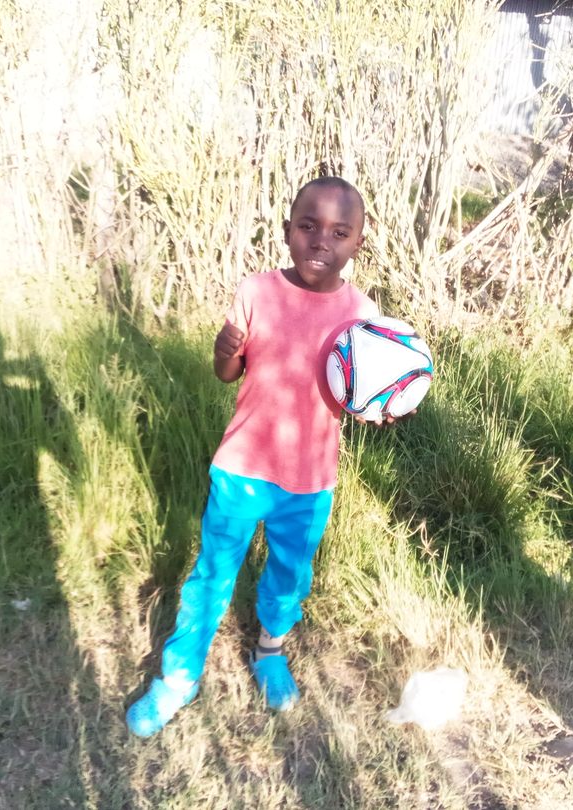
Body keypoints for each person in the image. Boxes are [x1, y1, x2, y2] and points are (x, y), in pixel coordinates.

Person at [127, 176, 383, 737]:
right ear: (287, 230)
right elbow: (228, 372)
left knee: (289, 575)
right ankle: (178, 677)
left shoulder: (362, 314)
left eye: (339, 232)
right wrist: (224, 352)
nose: (321, 241)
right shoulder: (256, 292)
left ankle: (269, 651)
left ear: (358, 243)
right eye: (308, 226)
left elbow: (362, 397)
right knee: (213, 572)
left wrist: (382, 406)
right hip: (241, 467)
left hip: (310, 479)